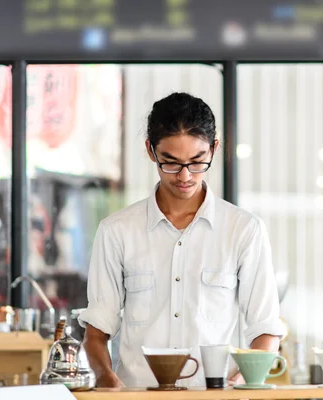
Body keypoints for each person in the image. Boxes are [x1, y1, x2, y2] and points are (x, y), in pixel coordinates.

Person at [78, 92, 286, 388]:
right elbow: (96, 334)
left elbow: (265, 328)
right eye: (171, 163)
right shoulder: (116, 231)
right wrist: (106, 378)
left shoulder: (244, 229)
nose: (185, 176)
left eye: (197, 161)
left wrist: (244, 382)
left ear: (214, 150)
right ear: (151, 151)